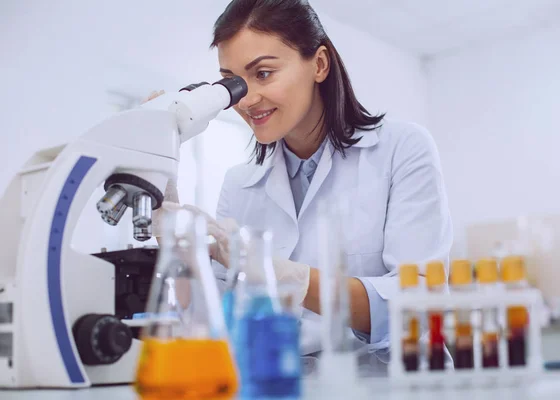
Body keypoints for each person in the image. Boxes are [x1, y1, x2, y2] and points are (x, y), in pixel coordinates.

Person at [152, 0, 453, 371]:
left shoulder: (401, 149)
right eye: (232, 82)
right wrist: (181, 242)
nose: (246, 100)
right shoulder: (239, 184)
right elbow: (212, 323)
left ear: (320, 65)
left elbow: (418, 307)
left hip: (392, 383)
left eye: (263, 73)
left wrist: (288, 276)